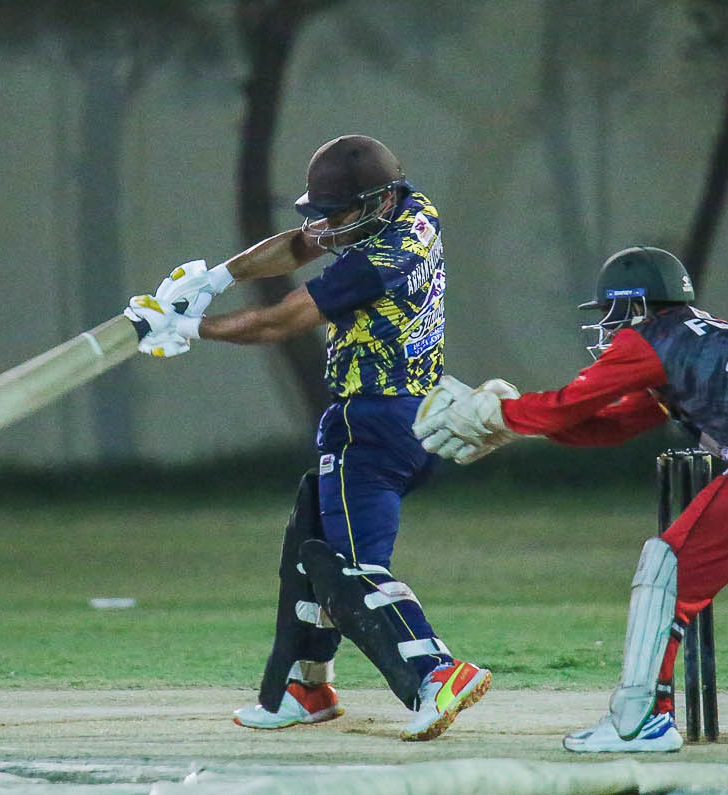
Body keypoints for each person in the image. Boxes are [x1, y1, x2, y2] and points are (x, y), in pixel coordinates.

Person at [413, 247, 728, 752]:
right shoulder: (699, 335)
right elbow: (612, 424)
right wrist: (513, 425)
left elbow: (567, 404)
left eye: (613, 312)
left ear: (638, 305)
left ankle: (642, 720)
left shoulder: (650, 339)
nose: (609, 326)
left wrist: (498, 413)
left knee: (667, 566)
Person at [121, 135, 489, 741]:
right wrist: (216, 277)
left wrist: (190, 328)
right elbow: (301, 243)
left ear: (377, 202)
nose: (330, 226)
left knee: (350, 569)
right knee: (307, 548)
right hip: (412, 414)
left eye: (341, 213)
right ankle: (304, 687)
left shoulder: (378, 260)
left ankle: (436, 674)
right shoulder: (412, 209)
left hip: (372, 424)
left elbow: (282, 320)